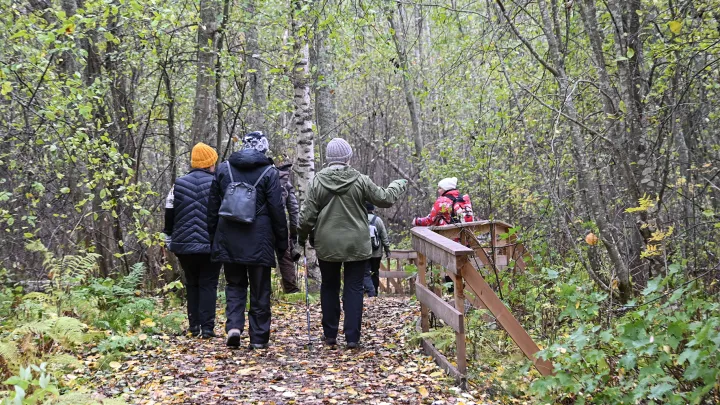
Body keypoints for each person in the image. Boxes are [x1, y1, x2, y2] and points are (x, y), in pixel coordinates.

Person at [295, 138, 407, 349]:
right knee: (354, 288)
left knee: (329, 286)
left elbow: (306, 218)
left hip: (327, 244)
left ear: (329, 159)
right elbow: (384, 199)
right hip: (357, 244)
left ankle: (329, 335)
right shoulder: (360, 180)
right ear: (348, 158)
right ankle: (352, 338)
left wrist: (300, 240)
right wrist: (396, 186)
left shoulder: (317, 181)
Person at [207, 131, 288, 349]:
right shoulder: (270, 173)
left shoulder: (223, 169)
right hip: (259, 239)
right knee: (260, 289)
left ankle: (234, 326)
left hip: (229, 236)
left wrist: (213, 237)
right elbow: (277, 210)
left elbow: (213, 207)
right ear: (263, 148)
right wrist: (282, 243)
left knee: (234, 284)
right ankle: (259, 338)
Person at [163, 142, 222, 339]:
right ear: (210, 163)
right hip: (210, 244)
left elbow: (169, 213)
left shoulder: (178, 184)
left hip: (184, 244)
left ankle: (194, 326)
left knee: (192, 282)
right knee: (209, 283)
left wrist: (169, 237)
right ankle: (207, 328)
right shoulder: (217, 183)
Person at [274, 161, 300, 294]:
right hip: (282, 224)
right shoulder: (287, 185)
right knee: (285, 257)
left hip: (262, 224)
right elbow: (294, 211)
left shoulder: (263, 177)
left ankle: (264, 292)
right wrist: (294, 234)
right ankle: (291, 291)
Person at [364, 202, 391, 296]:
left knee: (365, 272)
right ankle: (374, 292)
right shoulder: (378, 220)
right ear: (372, 209)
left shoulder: (360, 219)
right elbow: (384, 236)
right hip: (376, 252)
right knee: (375, 272)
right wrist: (387, 250)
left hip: (363, 252)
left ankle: (367, 292)